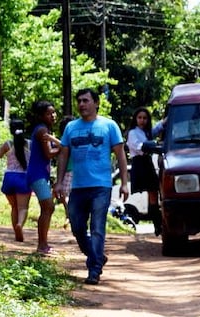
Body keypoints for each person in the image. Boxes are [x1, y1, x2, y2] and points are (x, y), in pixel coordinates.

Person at [54, 88, 129, 285]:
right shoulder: (71, 128)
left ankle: (94, 269)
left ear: (96, 103)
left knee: (97, 228)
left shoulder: (109, 126)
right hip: (78, 187)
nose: (81, 104)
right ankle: (97, 256)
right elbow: (63, 155)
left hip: (101, 186)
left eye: (86, 100)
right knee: (77, 227)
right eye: (79, 101)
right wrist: (59, 182)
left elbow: (121, 155)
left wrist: (124, 183)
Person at [0, 118, 31, 242]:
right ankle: (20, 224)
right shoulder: (30, 144)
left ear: (11, 131)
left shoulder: (8, 144)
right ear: (23, 129)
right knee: (23, 208)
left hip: (9, 178)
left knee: (14, 207)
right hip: (24, 178)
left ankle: (16, 232)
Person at [25, 100, 61, 254]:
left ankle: (43, 244)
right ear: (41, 116)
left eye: (54, 112)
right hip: (36, 174)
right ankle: (42, 245)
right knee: (48, 207)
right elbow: (48, 153)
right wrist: (63, 148)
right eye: (49, 113)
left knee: (47, 208)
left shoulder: (44, 130)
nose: (53, 115)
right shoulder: (41, 130)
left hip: (40, 174)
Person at [126, 107, 162, 235]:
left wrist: (164, 122)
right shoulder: (133, 133)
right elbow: (139, 147)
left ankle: (158, 226)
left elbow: (156, 130)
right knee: (152, 192)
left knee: (154, 194)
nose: (142, 120)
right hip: (140, 163)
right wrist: (151, 145)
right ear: (135, 119)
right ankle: (157, 225)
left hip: (147, 162)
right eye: (140, 118)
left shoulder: (146, 133)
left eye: (145, 118)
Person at [56, 115, 75, 229]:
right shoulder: (71, 136)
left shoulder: (69, 138)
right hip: (70, 170)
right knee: (64, 195)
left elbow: (62, 146)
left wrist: (51, 138)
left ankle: (70, 216)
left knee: (64, 195)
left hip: (69, 170)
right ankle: (69, 216)